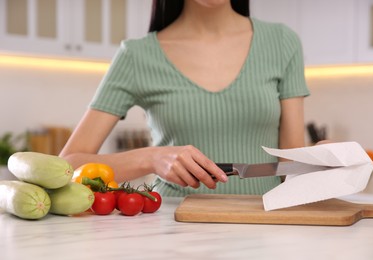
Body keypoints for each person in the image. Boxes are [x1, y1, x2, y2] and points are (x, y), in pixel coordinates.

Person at [59, 0, 310, 196]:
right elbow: (67, 166)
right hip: (173, 227)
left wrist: (324, 163)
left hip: (265, 225)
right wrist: (151, 158)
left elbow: (292, 167)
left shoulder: (282, 43)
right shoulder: (136, 55)